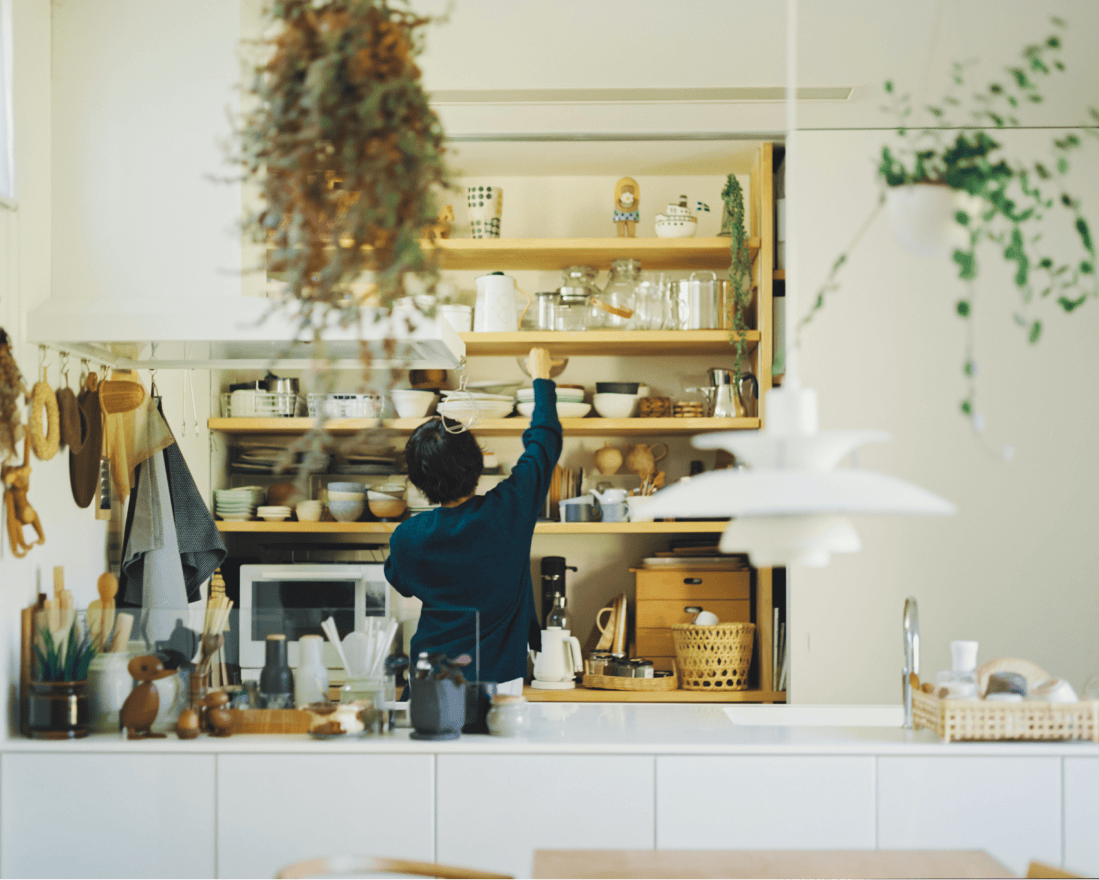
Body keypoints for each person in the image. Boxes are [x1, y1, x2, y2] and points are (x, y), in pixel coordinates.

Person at [384, 347, 562, 695]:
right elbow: (545, 442)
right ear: (477, 463)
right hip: (497, 685)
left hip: (429, 682)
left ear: (418, 482)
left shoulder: (407, 537)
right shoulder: (509, 511)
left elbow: (400, 580)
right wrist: (541, 378)